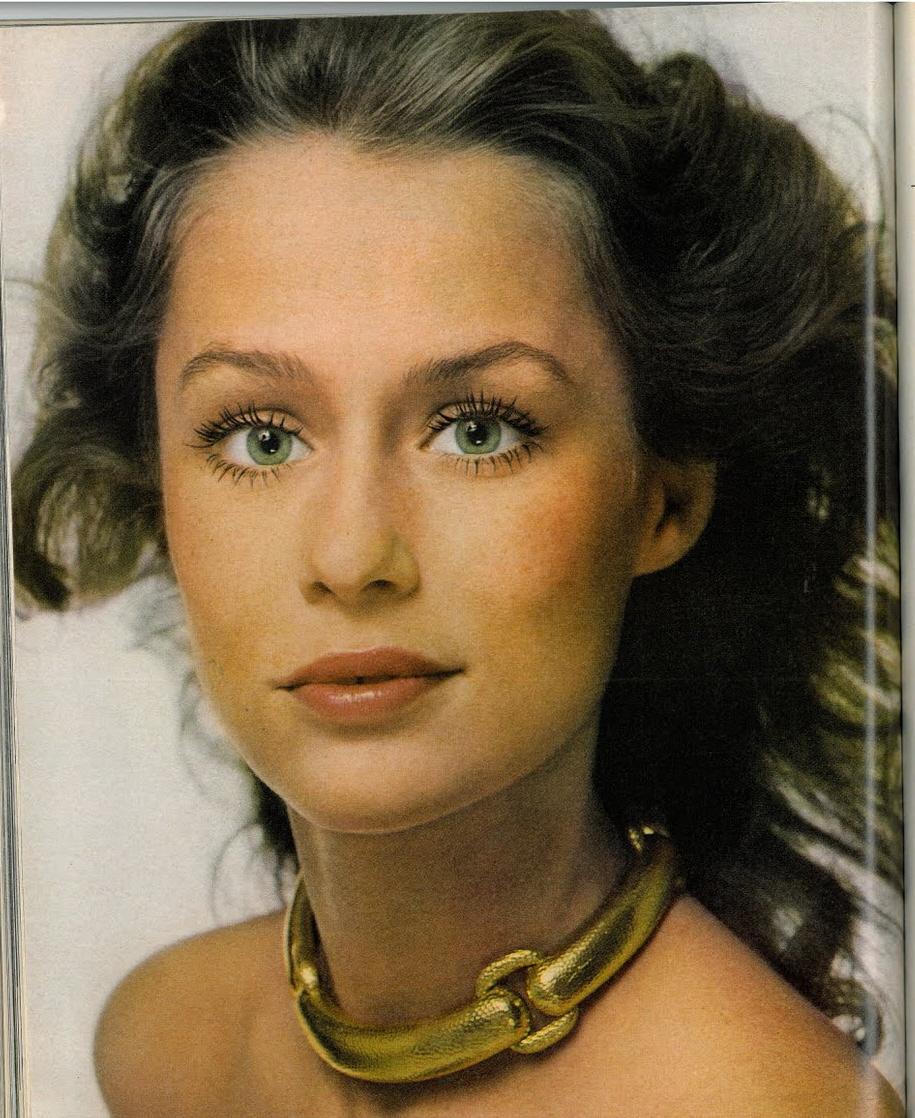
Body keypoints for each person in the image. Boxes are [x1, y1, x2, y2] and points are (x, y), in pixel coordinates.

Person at [11, 11, 902, 1116]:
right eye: (260, 437)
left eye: (478, 429)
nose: (351, 556)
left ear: (665, 500)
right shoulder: (162, 1047)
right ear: (156, 490)